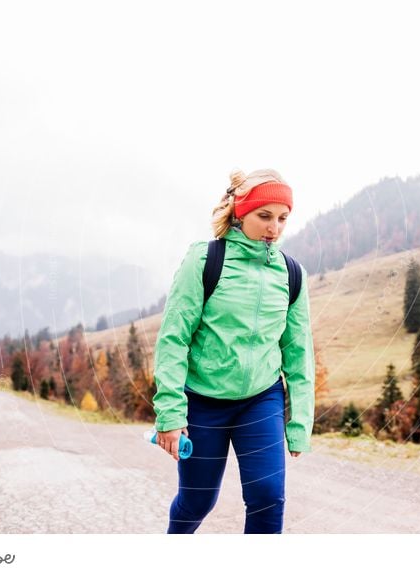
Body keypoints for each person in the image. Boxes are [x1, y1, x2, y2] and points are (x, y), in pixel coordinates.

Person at [151, 168, 315, 534]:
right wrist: (170, 414)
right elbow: (174, 339)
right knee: (197, 501)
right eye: (265, 216)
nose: (274, 227)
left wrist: (300, 422)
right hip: (203, 402)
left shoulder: (292, 274)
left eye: (283, 218)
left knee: (268, 496)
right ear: (239, 213)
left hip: (261, 399)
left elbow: (299, 353)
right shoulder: (204, 260)